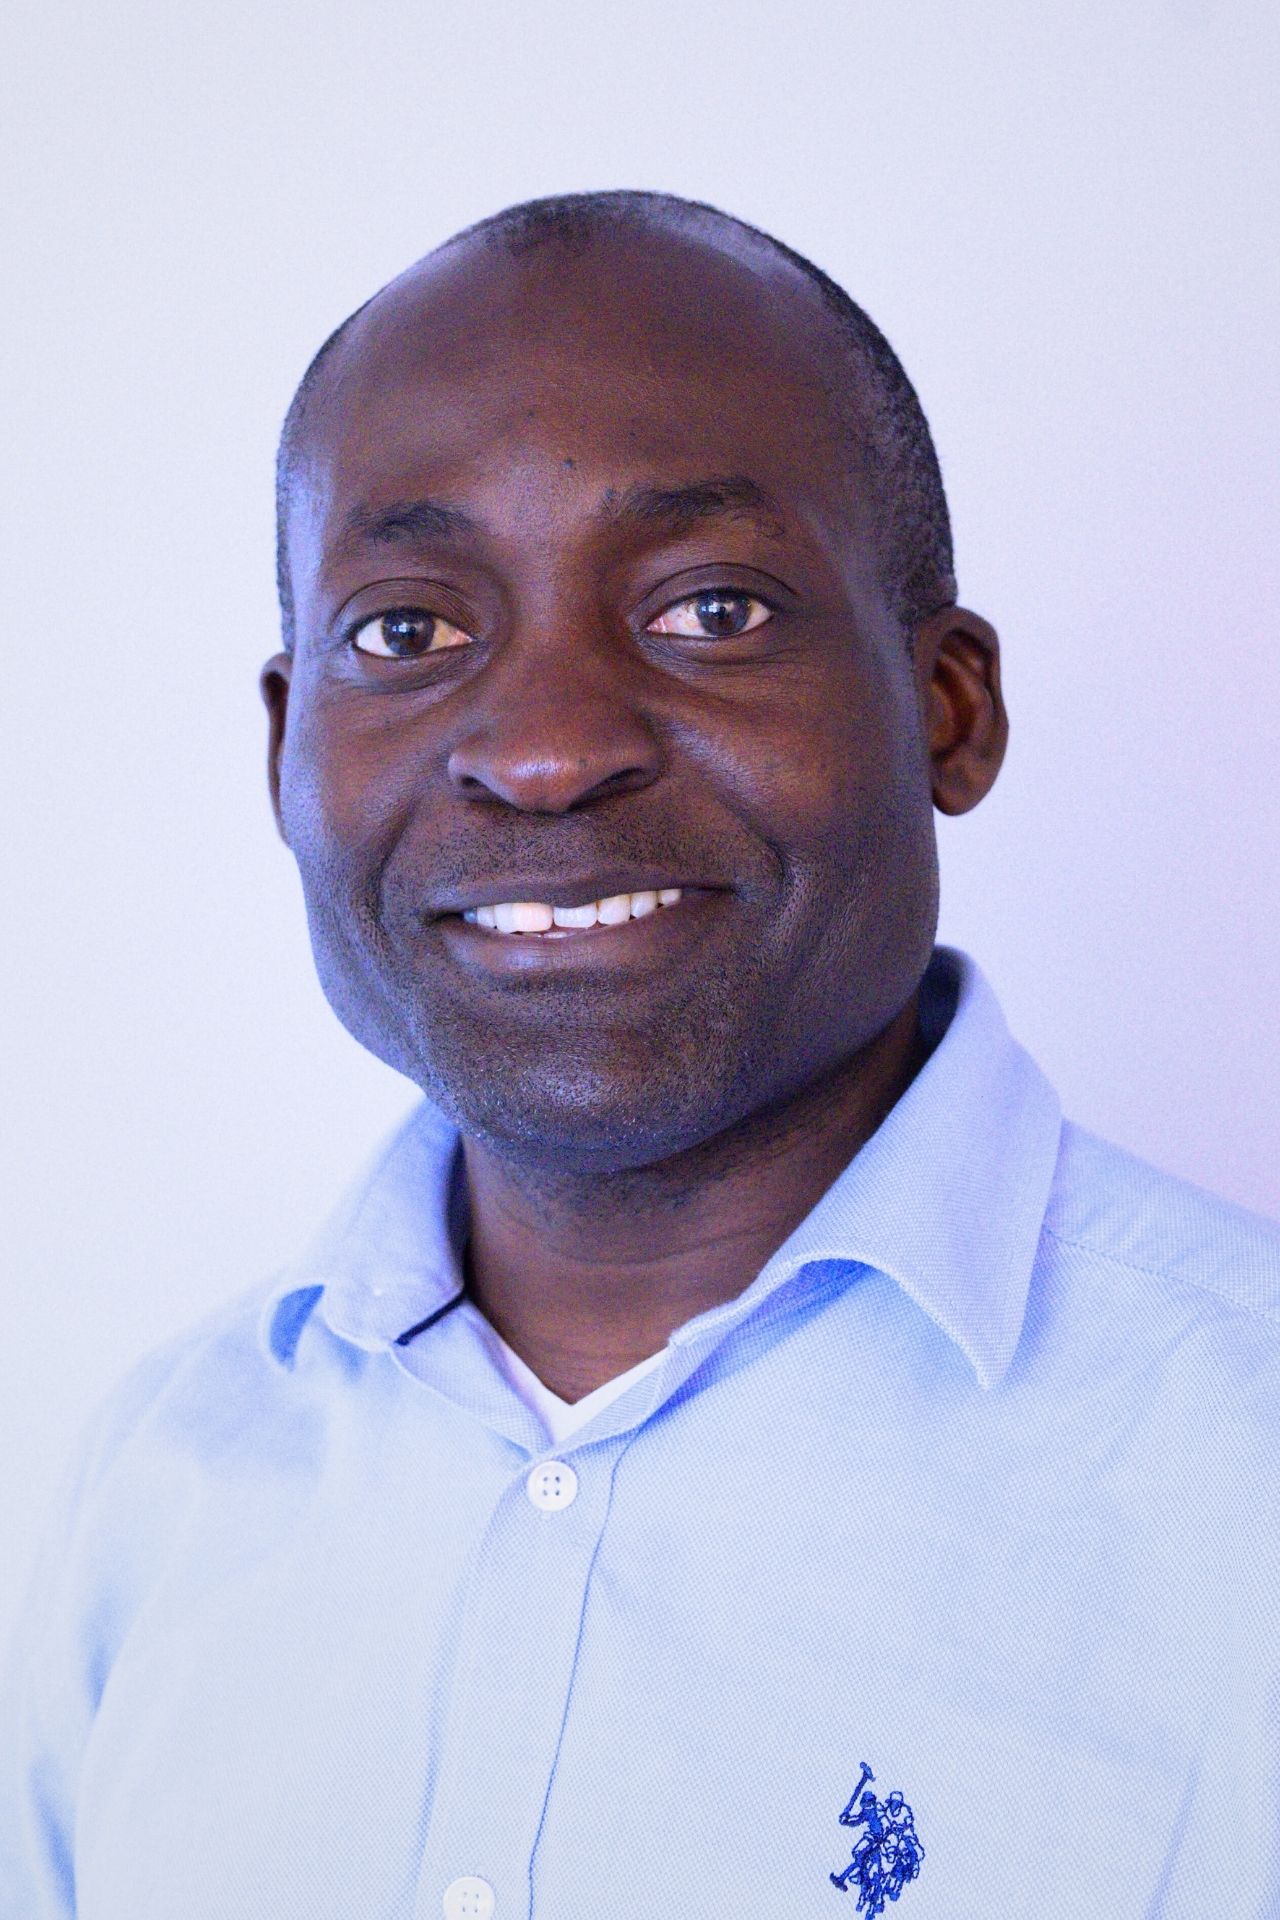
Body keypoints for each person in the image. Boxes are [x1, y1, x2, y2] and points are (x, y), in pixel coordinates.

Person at [3, 189, 1278, 1920]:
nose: (545, 751)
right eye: (407, 632)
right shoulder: (160, 1488)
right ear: (289, 749)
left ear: (949, 711)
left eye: (713, 609)